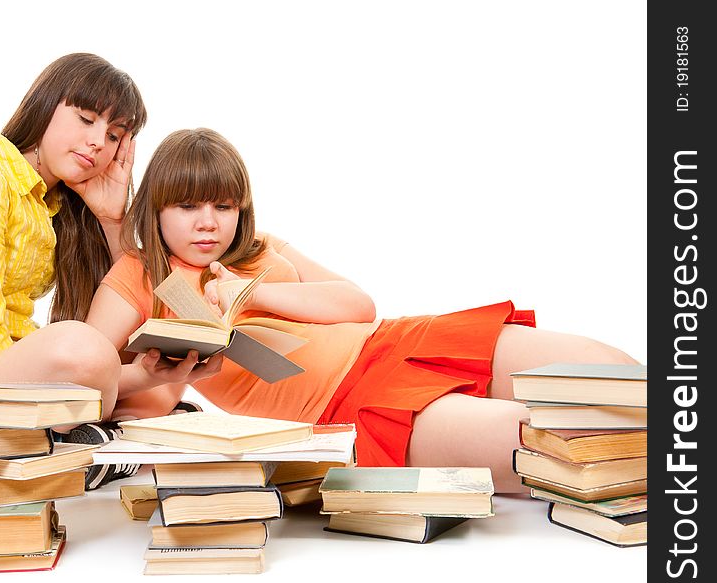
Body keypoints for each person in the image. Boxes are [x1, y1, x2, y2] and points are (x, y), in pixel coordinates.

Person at [86, 128, 639, 493]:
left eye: (223, 206)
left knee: (606, 372)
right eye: (187, 206)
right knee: (552, 441)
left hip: (393, 340)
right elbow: (85, 377)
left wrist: (250, 294)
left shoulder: (259, 249)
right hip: (346, 403)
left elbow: (357, 304)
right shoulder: (139, 277)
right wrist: (151, 371)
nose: (208, 222)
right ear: (155, 208)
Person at [0, 54, 216, 490]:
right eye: (86, 118)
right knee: (81, 344)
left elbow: (129, 310)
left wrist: (112, 221)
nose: (97, 142)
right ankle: (103, 444)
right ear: (46, 104)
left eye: (113, 135)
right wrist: (93, 385)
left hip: (3, 400)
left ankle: (93, 445)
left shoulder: (54, 208)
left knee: (139, 377)